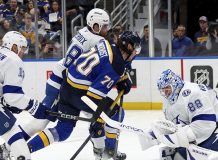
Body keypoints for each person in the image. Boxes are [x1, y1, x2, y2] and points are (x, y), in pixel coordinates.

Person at [11, 8, 125, 159]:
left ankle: (101, 152)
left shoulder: (84, 32)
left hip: (63, 81)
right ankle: (11, 146)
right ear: (95, 25)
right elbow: (111, 59)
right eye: (104, 26)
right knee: (41, 123)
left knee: (81, 122)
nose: (106, 29)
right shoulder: (98, 41)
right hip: (64, 85)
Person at [27, 31, 141, 160]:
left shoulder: (107, 43)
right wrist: (98, 120)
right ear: (129, 47)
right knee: (115, 113)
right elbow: (94, 96)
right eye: (136, 47)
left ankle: (25, 149)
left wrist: (121, 78)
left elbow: (102, 65)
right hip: (82, 94)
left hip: (67, 87)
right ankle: (110, 149)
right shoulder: (116, 65)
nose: (137, 51)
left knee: (62, 131)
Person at [142, 69, 218, 159]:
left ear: (175, 84)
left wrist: (175, 138)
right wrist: (157, 133)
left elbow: (204, 127)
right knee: (174, 154)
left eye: (168, 89)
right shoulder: (167, 103)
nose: (166, 93)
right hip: (211, 127)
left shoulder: (192, 93)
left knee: (198, 156)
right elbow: (174, 128)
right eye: (163, 91)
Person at [0, 31, 48, 160]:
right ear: (14, 46)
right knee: (21, 153)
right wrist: (35, 107)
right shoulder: (13, 59)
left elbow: (7, 97)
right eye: (22, 48)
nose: (23, 53)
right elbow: (13, 96)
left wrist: (6, 103)